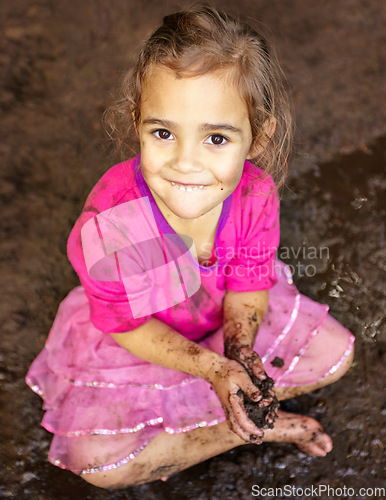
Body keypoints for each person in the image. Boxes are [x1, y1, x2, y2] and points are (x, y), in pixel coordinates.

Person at [26, 6, 355, 489]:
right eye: (163, 133)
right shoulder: (112, 227)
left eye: (216, 138)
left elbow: (249, 282)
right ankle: (243, 428)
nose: (185, 163)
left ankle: (233, 407)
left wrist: (239, 351)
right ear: (136, 121)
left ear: (257, 138)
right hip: (142, 347)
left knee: (335, 357)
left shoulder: (255, 193)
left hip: (220, 327)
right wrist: (211, 367)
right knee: (98, 464)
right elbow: (128, 325)